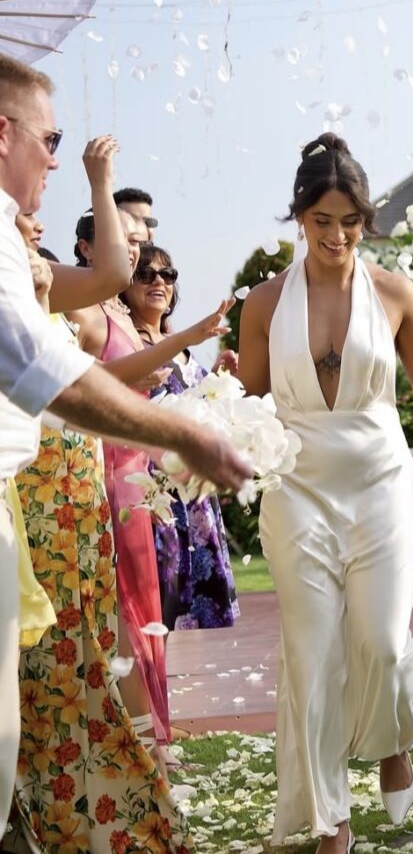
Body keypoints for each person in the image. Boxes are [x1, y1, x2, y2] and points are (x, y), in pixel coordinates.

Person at [237, 133, 413, 854]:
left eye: (350, 221)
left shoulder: (394, 293)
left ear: (366, 218)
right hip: (296, 489)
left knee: (384, 643)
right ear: (299, 217)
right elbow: (249, 404)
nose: (335, 236)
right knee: (311, 651)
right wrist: (216, 419)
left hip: (380, 485)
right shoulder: (265, 304)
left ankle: (394, 738)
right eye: (321, 220)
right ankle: (334, 823)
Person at [0, 52, 249, 838]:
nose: (54, 156)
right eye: (49, 137)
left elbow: (111, 270)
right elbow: (46, 368)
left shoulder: (15, 249)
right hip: (45, 486)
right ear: (2, 133)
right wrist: (181, 429)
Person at [12, 193, 192, 851]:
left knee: (91, 650)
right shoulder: (26, 316)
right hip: (40, 503)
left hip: (81, 506)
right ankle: (47, 811)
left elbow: (115, 273)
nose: (30, 220)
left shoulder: (54, 306)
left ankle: (92, 804)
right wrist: (99, 175)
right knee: (50, 659)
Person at [68, 213, 234, 772]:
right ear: (89, 250)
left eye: (160, 264)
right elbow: (87, 385)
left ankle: (154, 734)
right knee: (129, 611)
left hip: (158, 481)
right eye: (134, 253)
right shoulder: (91, 317)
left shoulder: (127, 320)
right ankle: (142, 739)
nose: (146, 268)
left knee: (151, 612)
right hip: (115, 473)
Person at [123, 242, 241, 631]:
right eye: (146, 273)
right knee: (156, 609)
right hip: (154, 492)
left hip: (192, 497)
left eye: (168, 274)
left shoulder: (183, 348)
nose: (159, 280)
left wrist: (221, 379)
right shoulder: (131, 343)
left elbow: (197, 403)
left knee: (179, 618)